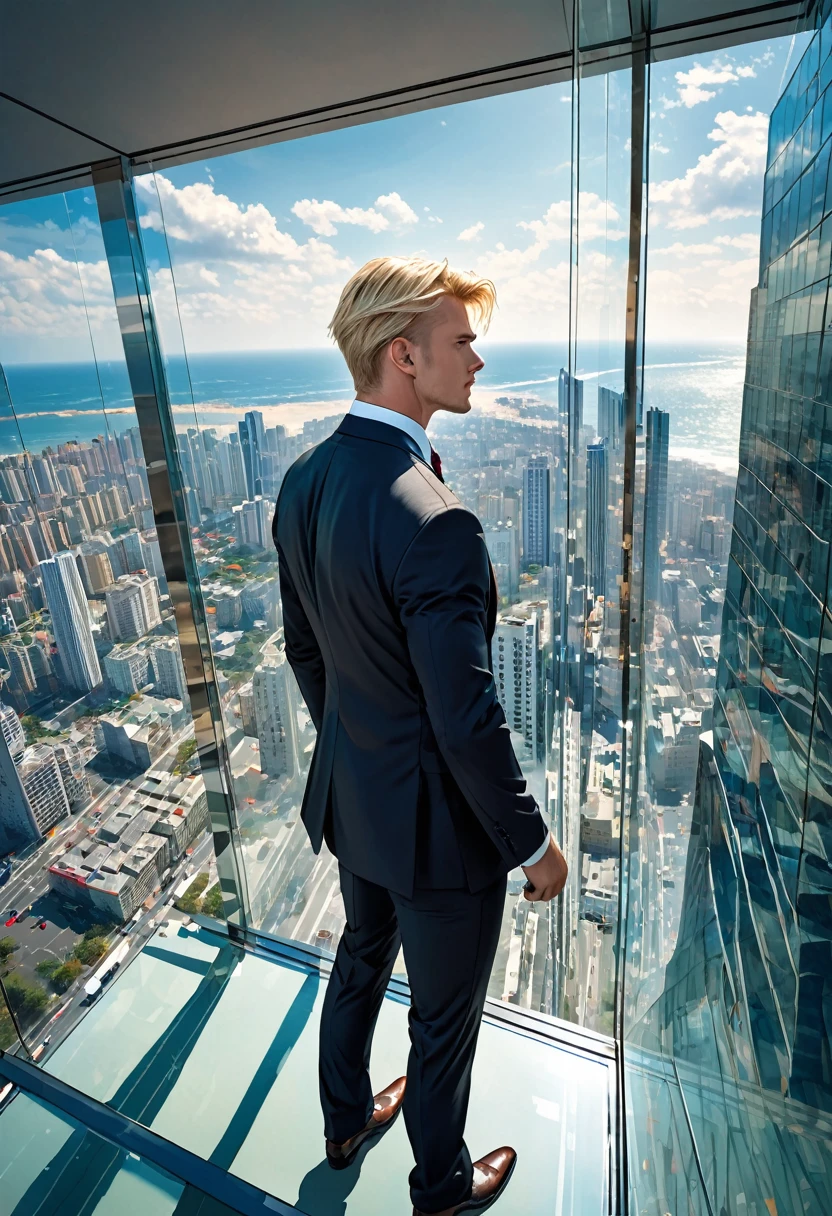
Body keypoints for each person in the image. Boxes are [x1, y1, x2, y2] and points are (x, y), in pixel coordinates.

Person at [273, 255, 568, 1215]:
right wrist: (531, 840)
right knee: (443, 1023)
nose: (478, 359)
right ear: (404, 356)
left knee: (361, 954)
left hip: (357, 805)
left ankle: (345, 1118)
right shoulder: (436, 520)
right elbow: (466, 717)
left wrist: (362, 751)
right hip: (441, 836)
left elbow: (305, 651)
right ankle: (440, 1186)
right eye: (462, 340)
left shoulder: (304, 479)